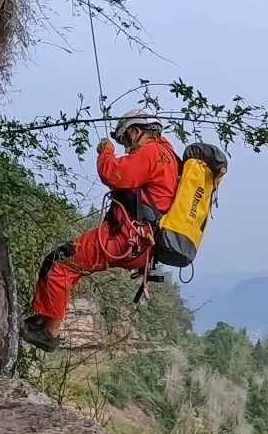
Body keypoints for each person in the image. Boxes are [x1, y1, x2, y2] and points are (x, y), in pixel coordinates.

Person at [22, 110, 179, 351]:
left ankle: (48, 331)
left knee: (60, 262)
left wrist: (105, 151)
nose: (127, 149)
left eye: (126, 141)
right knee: (67, 264)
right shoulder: (168, 154)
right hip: (138, 243)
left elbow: (114, 174)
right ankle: (44, 317)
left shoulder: (151, 152)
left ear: (136, 132)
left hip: (124, 238)